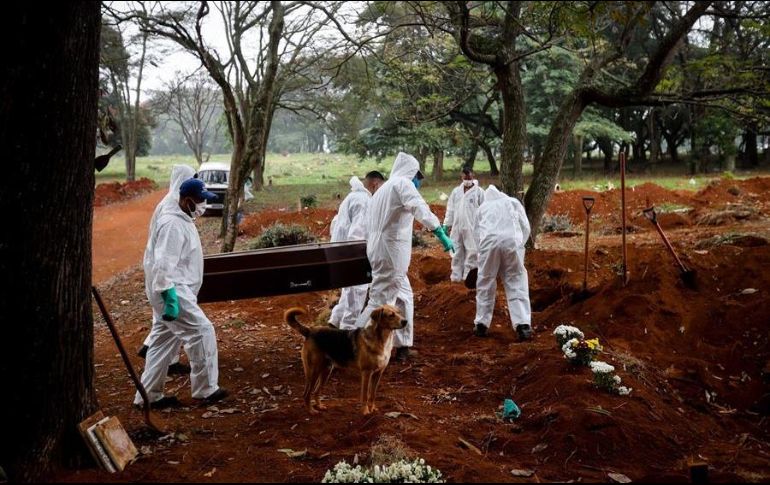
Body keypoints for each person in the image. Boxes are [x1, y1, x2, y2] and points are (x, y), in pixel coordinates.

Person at [134, 178, 228, 408]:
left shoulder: (182, 218)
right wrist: (170, 297)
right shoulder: (172, 225)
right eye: (200, 200)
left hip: (175, 289)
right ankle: (206, 390)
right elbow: (163, 263)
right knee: (202, 331)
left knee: (161, 343)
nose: (203, 205)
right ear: (186, 201)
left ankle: (148, 396)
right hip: (173, 290)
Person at [354, 153, 454, 362]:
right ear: (411, 172)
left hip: (379, 249)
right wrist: (439, 231)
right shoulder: (402, 183)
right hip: (391, 252)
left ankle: (402, 346)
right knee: (380, 300)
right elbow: (419, 207)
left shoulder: (383, 190)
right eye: (418, 176)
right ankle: (353, 347)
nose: (418, 181)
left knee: (404, 297)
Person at [137, 165, 196, 375]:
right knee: (170, 318)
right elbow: (166, 250)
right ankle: (156, 351)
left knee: (164, 320)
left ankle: (159, 354)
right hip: (164, 271)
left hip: (162, 270)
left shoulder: (170, 202)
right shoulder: (171, 206)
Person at [472, 185, 532, 341]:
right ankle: (523, 325)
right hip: (511, 243)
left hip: (488, 244)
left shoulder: (482, 208)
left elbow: (476, 233)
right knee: (516, 280)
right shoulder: (512, 202)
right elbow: (525, 226)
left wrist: (483, 253)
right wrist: (519, 245)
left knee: (485, 281)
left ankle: (481, 324)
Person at [328, 172, 385, 329]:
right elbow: (357, 233)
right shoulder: (364, 201)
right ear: (376, 184)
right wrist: (359, 256)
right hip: (353, 252)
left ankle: (335, 321)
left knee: (349, 291)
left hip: (341, 250)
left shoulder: (352, 196)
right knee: (357, 292)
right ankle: (347, 330)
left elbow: (335, 224)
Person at [443, 166, 484, 283]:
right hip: (457, 227)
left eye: (469, 177)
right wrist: (446, 224)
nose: (467, 180)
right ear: (461, 177)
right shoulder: (456, 192)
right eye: (465, 178)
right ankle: (455, 277)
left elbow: (485, 210)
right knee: (456, 251)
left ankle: (467, 278)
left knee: (472, 252)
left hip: (473, 228)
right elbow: (450, 209)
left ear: (473, 176)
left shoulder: (479, 192)